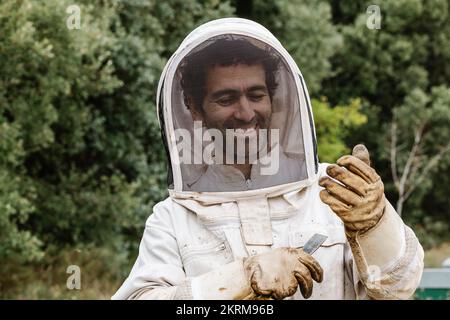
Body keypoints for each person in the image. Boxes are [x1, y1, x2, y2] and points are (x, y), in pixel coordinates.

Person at [112, 18, 424, 300]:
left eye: (256, 95)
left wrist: (375, 223)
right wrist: (241, 277)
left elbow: (399, 288)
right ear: (194, 107)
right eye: (226, 98)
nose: (246, 113)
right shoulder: (172, 218)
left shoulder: (335, 190)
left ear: (272, 98)